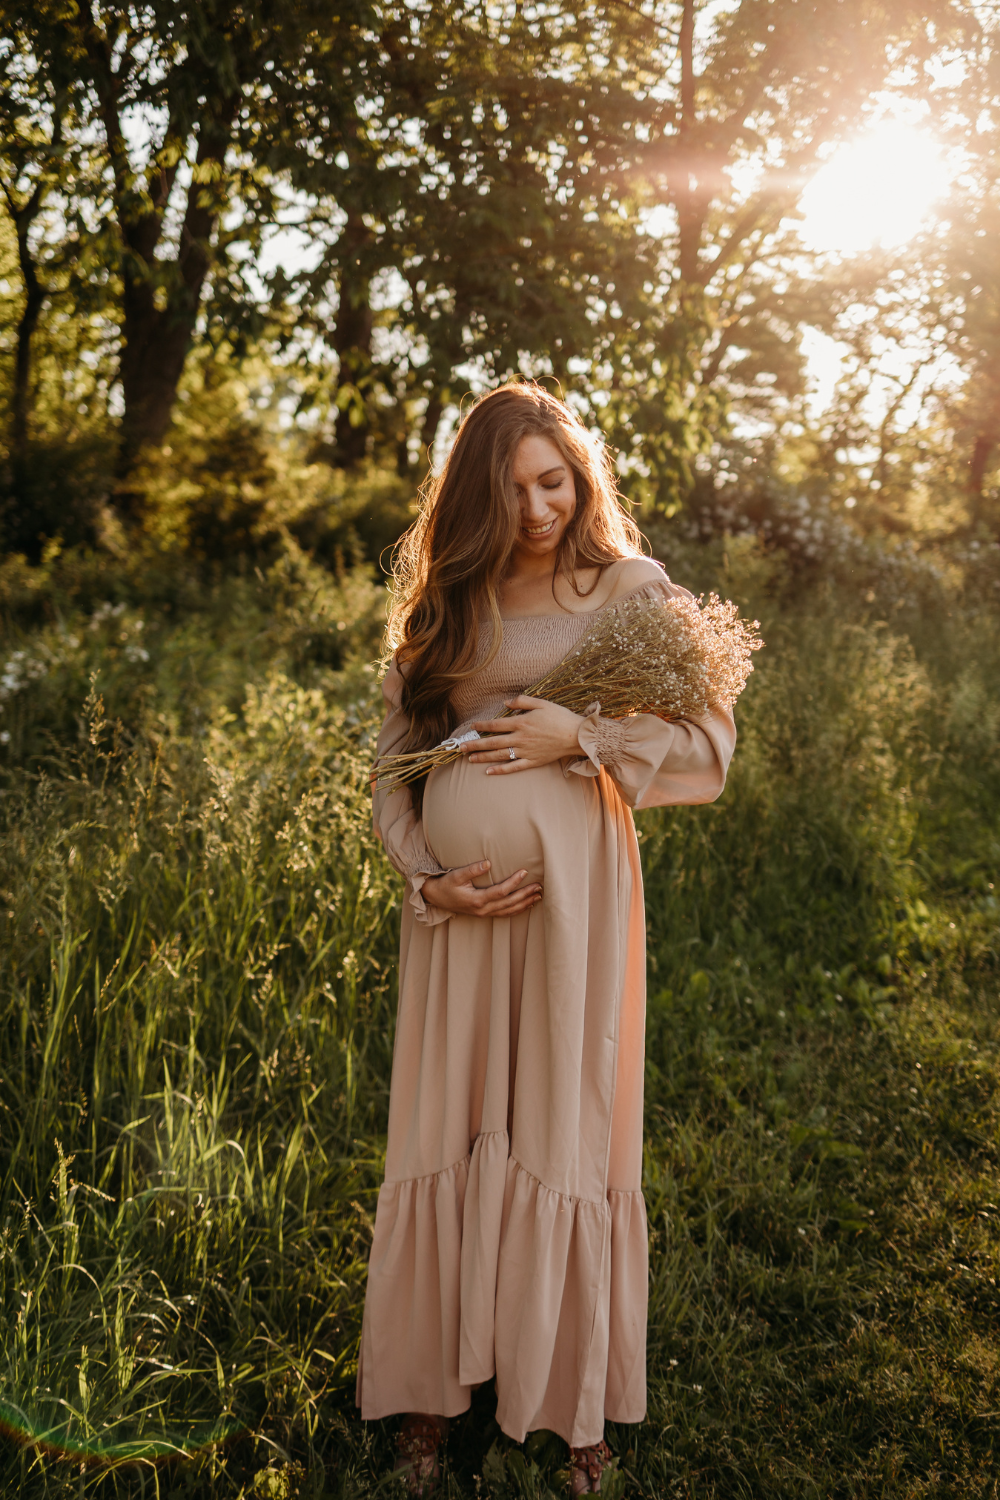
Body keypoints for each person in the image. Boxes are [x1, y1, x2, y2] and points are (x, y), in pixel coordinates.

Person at [357, 382, 736, 1495]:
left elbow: (710, 749)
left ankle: (572, 1408)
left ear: (581, 477)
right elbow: (395, 763)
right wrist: (430, 877)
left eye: (553, 481)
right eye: (512, 487)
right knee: (449, 1123)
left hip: (576, 907)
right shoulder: (452, 601)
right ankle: (428, 1396)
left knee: (565, 1125)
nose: (535, 509)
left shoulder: (629, 589)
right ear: (475, 495)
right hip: (462, 920)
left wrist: (587, 732)